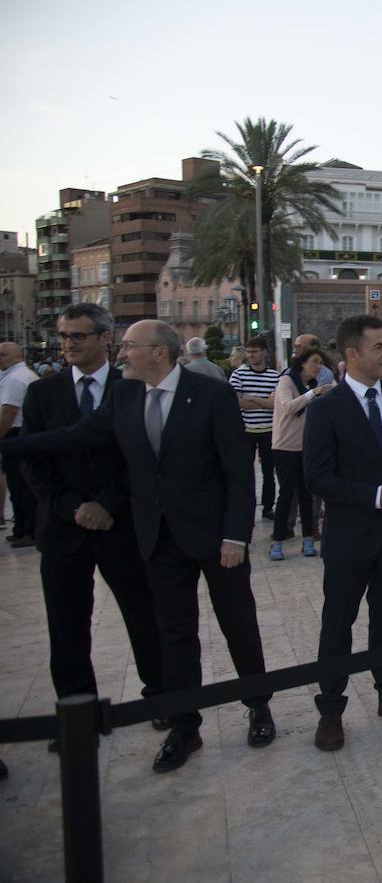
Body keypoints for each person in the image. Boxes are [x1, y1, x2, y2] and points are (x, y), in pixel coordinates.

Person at [1, 319, 275, 773]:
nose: (121, 354)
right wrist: (10, 448)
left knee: (238, 624)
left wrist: (235, 536)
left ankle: (259, 705)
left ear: (159, 353)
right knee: (175, 635)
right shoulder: (124, 395)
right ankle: (185, 726)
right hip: (158, 539)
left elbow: (237, 472)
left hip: (213, 537)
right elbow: (76, 438)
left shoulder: (211, 394)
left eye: (129, 347)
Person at [21, 304, 164, 748]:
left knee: (144, 615)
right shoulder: (42, 394)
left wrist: (106, 504)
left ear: (105, 338)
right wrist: (73, 508)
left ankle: (160, 699)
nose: (68, 344)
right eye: (64, 336)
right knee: (66, 626)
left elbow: (143, 457)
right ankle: (77, 714)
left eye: (78, 336)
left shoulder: (133, 389)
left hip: (120, 527)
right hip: (63, 530)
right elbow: (35, 462)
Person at [304, 315, 382, 751]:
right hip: (349, 538)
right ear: (352, 353)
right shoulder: (325, 408)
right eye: (378, 347)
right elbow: (318, 477)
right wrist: (377, 496)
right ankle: (330, 710)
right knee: (337, 625)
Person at [269, 346, 334, 560]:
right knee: (287, 495)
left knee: (307, 495)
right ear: (302, 362)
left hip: (306, 448)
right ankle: (277, 541)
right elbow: (288, 407)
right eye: (314, 362)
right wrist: (312, 394)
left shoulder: (314, 385)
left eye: (320, 362)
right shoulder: (286, 381)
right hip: (285, 447)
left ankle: (308, 538)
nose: (318, 367)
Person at [229, 336, 280, 520]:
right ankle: (245, 506)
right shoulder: (238, 375)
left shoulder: (275, 376)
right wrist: (264, 402)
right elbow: (236, 402)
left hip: (268, 430)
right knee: (244, 472)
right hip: (246, 430)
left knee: (269, 471)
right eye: (248, 352)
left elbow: (276, 404)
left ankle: (268, 507)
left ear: (264, 353)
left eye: (255, 351)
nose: (251, 355)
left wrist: (252, 399)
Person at [0, 341, 39, 546]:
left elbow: (9, 413)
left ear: (17, 356)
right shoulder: (20, 375)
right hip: (23, 434)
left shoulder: (15, 378)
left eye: (3, 354)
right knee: (18, 486)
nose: (0, 358)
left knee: (21, 486)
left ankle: (29, 531)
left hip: (16, 434)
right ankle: (22, 528)